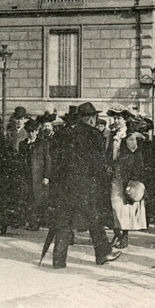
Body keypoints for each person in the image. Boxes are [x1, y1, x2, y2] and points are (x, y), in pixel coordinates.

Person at [49, 102, 121, 268]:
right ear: (92, 118)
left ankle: (58, 260)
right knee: (94, 219)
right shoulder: (93, 134)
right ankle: (103, 253)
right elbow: (98, 164)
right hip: (85, 186)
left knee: (63, 222)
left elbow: (56, 160)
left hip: (65, 185)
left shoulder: (62, 133)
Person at [108, 113, 148, 249]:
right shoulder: (112, 136)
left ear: (125, 120)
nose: (116, 121)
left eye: (119, 118)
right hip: (114, 175)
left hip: (126, 177)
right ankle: (117, 233)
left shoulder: (130, 137)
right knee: (114, 207)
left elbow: (136, 159)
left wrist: (134, 177)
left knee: (123, 207)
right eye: (115, 118)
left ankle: (124, 236)